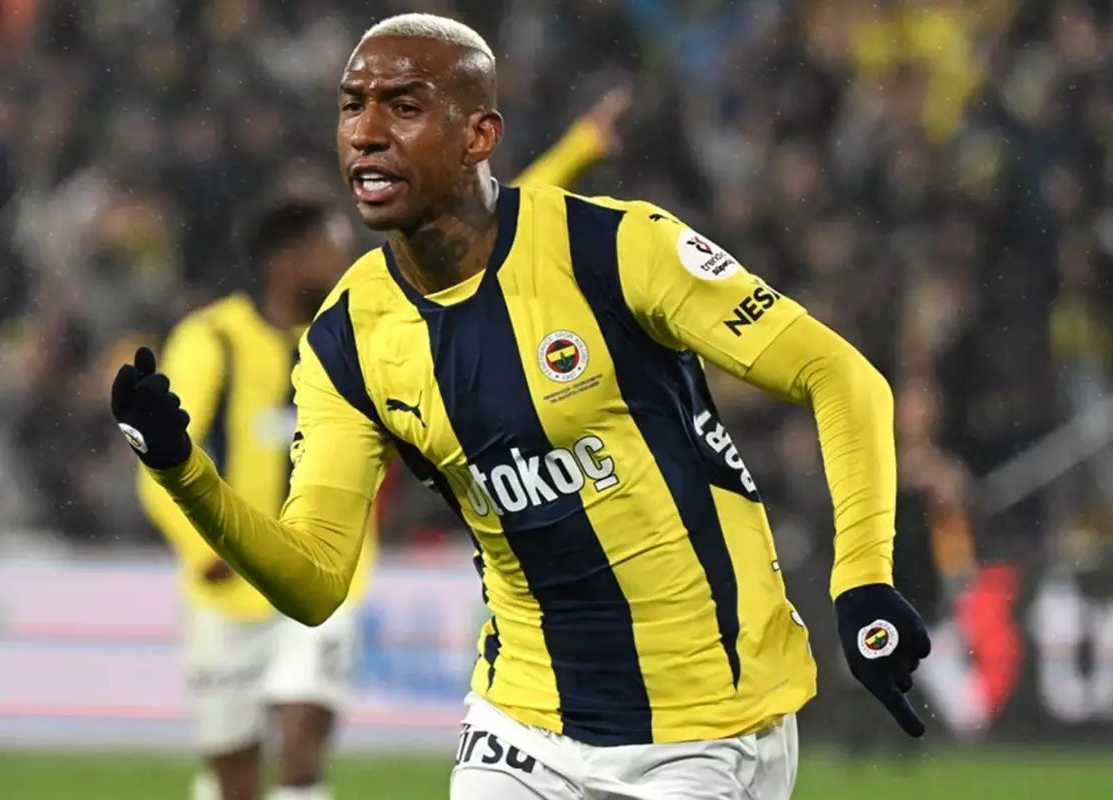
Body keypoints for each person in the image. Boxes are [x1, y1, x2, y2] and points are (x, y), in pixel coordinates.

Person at [112, 13, 931, 800]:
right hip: (524, 722)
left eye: (403, 106)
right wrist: (184, 471)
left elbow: (840, 375)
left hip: (708, 721)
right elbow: (317, 579)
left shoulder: (615, 248)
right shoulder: (347, 338)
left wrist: (862, 578)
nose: (366, 132)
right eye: (352, 105)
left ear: (479, 136)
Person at [139, 90, 632, 800]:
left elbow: (489, 228)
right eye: (327, 244)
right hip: (224, 592)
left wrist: (578, 148)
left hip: (325, 574)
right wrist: (202, 550)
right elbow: (158, 458)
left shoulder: (361, 324)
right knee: (235, 778)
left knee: (301, 744)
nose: (344, 253)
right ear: (287, 259)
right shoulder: (211, 339)